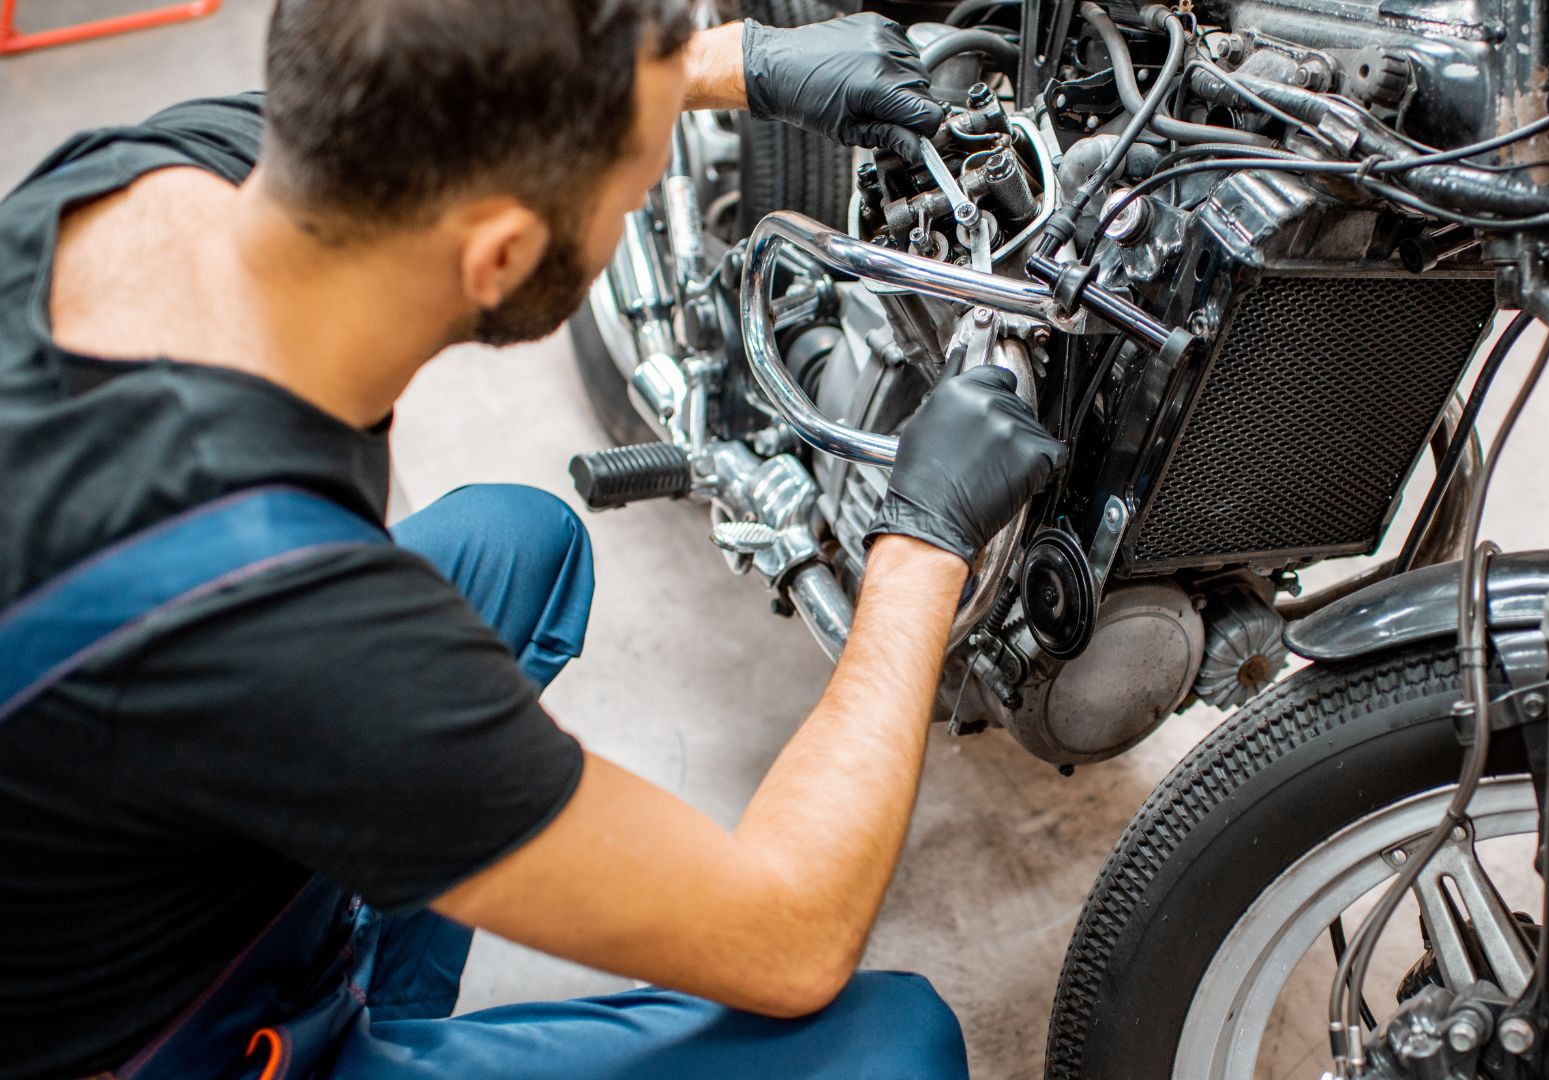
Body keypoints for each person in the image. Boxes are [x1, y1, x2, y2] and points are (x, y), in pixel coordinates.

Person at [0, 1, 1065, 1077]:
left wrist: (738, 64)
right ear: (501, 252)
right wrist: (922, 541)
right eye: (634, 183)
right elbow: (792, 933)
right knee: (893, 1051)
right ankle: (346, 1047)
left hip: (100, 835)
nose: (645, 196)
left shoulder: (166, 176)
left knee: (517, 548)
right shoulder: (291, 626)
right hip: (155, 1045)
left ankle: (386, 1005)